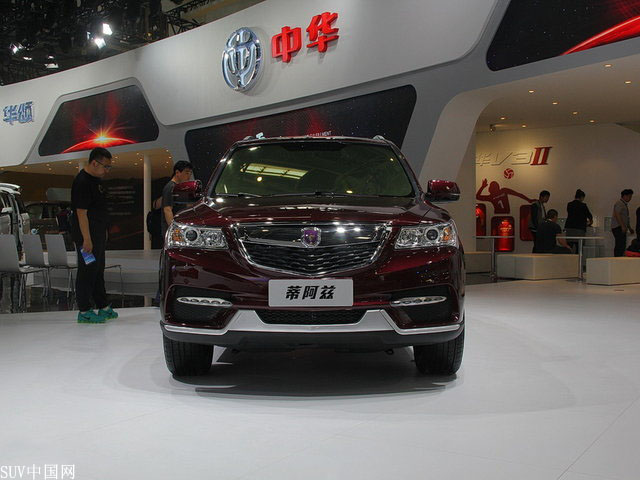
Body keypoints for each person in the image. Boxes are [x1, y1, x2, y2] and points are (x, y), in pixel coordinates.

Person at [70, 147, 118, 324]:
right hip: (87, 238)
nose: (107, 170)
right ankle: (84, 310)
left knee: (98, 270)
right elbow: (81, 213)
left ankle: (102, 305)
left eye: (109, 167)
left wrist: (102, 232)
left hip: (97, 235)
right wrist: (87, 239)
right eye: (106, 166)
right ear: (94, 163)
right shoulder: (82, 182)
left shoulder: (96, 181)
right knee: (87, 271)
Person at [155, 161, 194, 305]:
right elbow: (167, 209)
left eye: (190, 173)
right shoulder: (170, 187)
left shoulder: (178, 188)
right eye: (186, 172)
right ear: (177, 172)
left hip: (178, 232)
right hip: (172, 232)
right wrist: (174, 231)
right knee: (169, 264)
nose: (188, 175)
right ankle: (160, 297)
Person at [611, 189, 634, 257]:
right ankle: (617, 258)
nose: (630, 198)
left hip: (621, 227)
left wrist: (629, 227)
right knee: (619, 244)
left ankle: (619, 258)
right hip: (618, 227)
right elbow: (617, 214)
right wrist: (622, 226)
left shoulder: (624, 204)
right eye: (629, 196)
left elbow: (626, 218)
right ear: (624, 196)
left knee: (622, 244)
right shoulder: (619, 203)